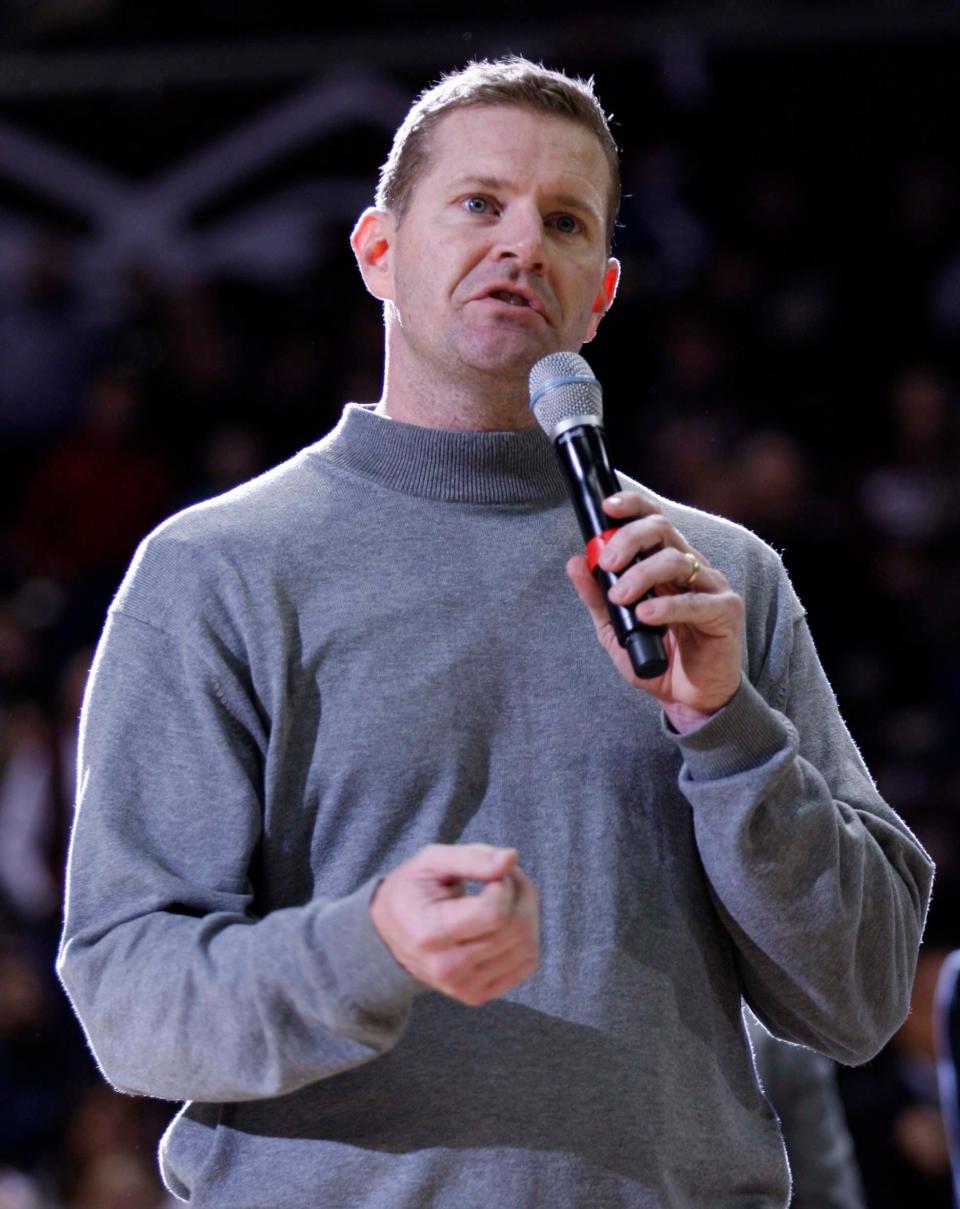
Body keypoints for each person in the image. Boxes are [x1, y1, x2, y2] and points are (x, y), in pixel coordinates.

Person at [57, 57, 934, 1207]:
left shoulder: (717, 582)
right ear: (379, 250)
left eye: (565, 221)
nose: (523, 243)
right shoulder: (214, 573)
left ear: (601, 292)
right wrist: (369, 947)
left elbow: (862, 1000)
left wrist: (729, 732)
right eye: (479, 204)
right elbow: (130, 1002)